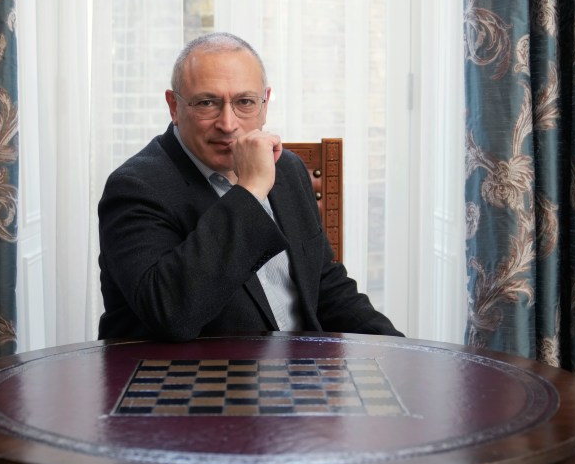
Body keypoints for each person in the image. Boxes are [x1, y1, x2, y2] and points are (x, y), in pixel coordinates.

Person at [97, 32, 402, 342]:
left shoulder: (288, 169)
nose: (228, 123)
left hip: (298, 374)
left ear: (264, 104)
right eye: (207, 103)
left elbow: (325, 285)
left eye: (244, 102)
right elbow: (171, 314)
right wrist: (252, 191)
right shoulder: (134, 188)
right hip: (191, 381)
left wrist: (400, 352)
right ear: (174, 106)